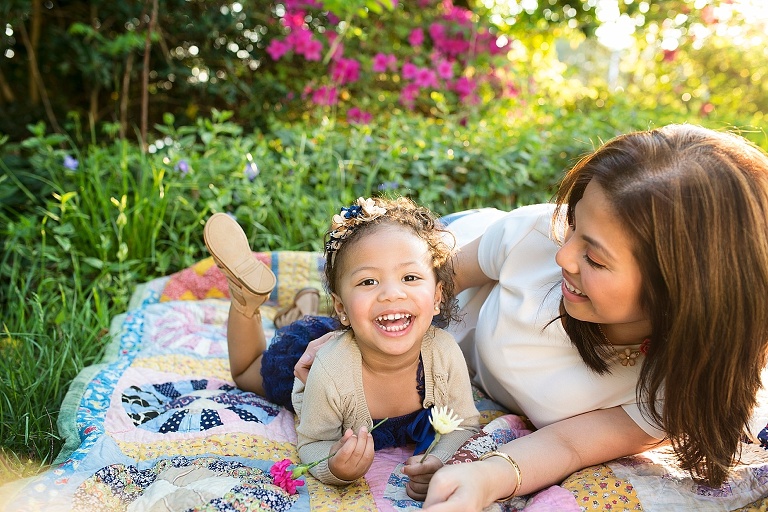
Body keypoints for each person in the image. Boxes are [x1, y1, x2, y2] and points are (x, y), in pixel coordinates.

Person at [294, 124, 768, 510]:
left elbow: (570, 445)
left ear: (683, 293)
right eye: (576, 225)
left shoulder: (675, 386)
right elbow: (427, 283)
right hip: (445, 270)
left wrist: (485, 477)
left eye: (596, 259)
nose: (565, 257)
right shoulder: (538, 239)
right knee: (358, 278)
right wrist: (346, 333)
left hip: (458, 356)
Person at [203, 196, 480, 493]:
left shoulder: (445, 354)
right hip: (307, 367)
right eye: (368, 282)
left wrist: (439, 459)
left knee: (343, 317)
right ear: (340, 306)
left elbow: (464, 424)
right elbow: (313, 442)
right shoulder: (329, 370)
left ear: (437, 296)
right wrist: (334, 466)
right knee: (247, 372)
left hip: (361, 327)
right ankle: (247, 302)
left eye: (409, 277)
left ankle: (303, 303)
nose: (391, 293)